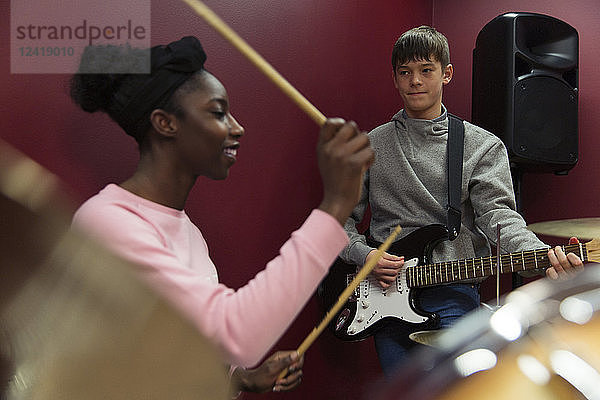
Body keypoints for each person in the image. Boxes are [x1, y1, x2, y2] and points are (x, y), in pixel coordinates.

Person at [69, 36, 374, 395]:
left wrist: (236, 378)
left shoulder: (187, 233)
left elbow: (181, 351)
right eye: (218, 112)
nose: (237, 127)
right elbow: (237, 334)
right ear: (165, 123)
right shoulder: (107, 222)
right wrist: (335, 206)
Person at [339, 26, 584, 377]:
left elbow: (501, 219)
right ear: (394, 79)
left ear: (447, 74)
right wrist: (366, 256)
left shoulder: (481, 146)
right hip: (384, 298)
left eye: (426, 70)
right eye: (405, 72)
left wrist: (542, 255)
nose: (415, 81)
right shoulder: (369, 146)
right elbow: (338, 222)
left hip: (453, 294)